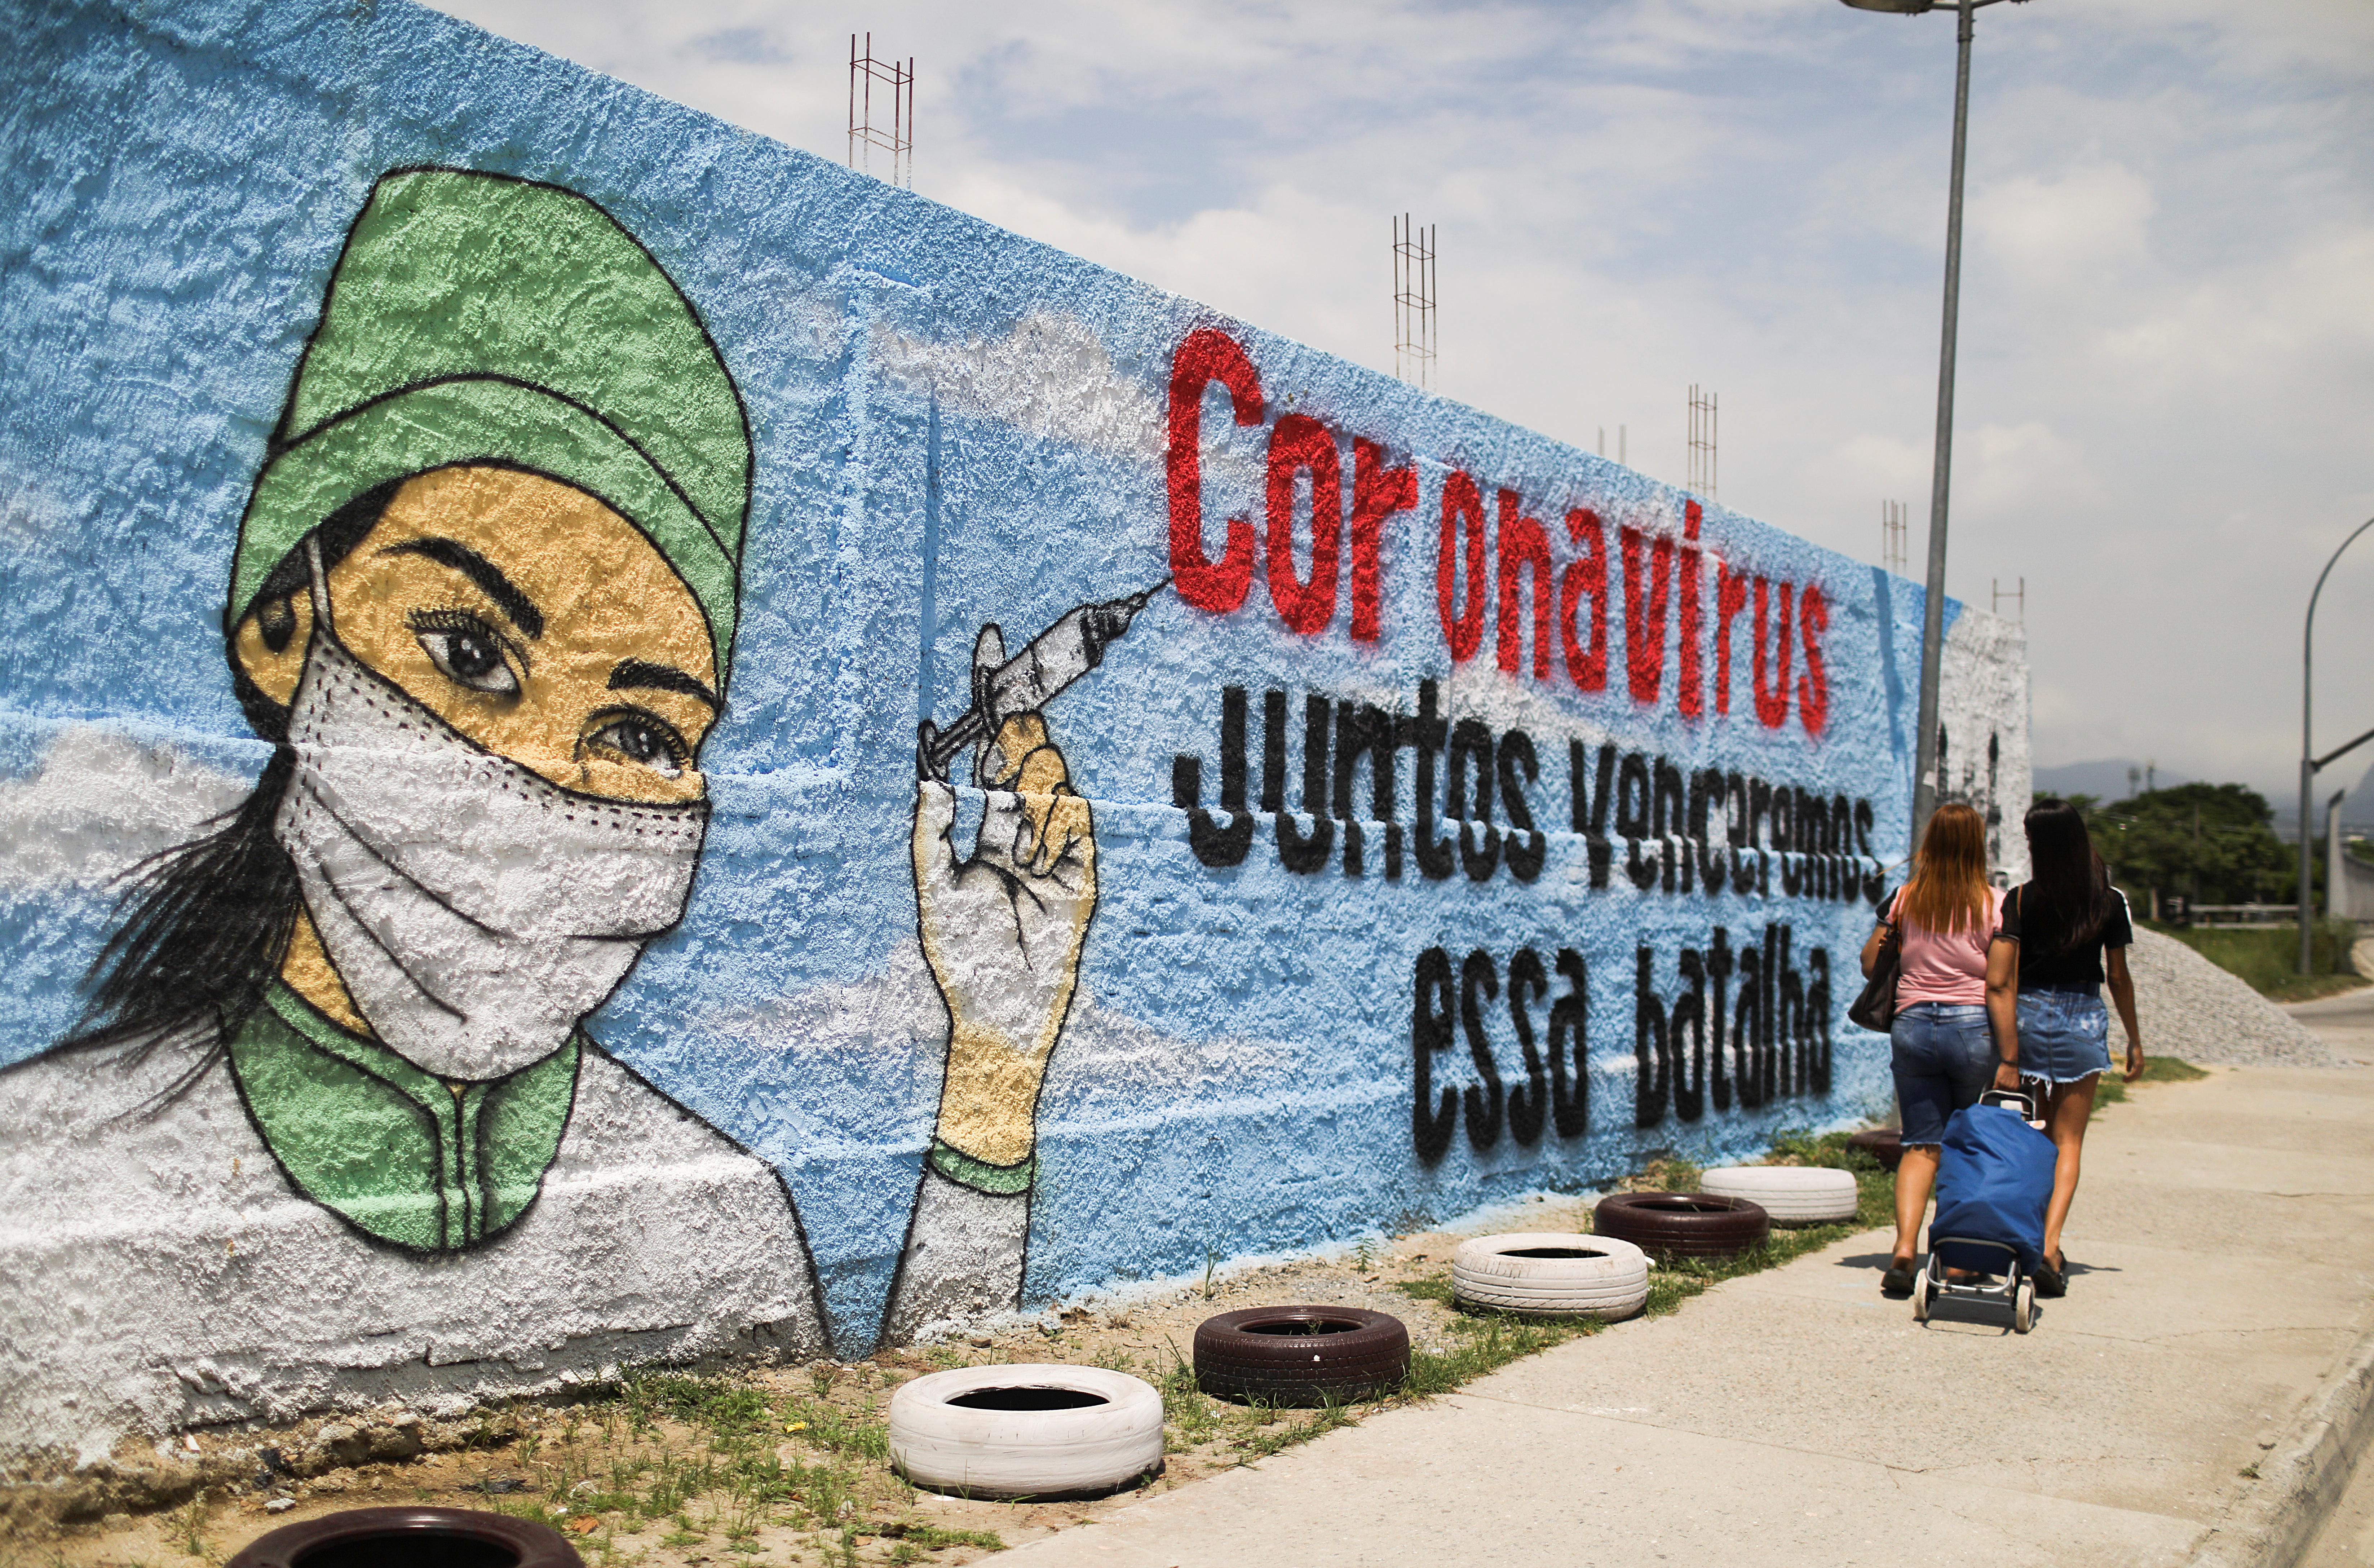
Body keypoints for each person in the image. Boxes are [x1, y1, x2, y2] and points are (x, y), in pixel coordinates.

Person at [0, 168, 1097, 1456]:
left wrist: (991, 1078)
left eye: (640, 735)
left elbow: (901, 1455)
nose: (539, 779)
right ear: (287, 622)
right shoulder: (50, 1184)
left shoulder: (720, 1222)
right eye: (467, 653)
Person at [1862, 802, 2020, 1298]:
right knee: (1968, 1144)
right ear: (1978, 844)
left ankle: (1904, 1251)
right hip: (1972, 1028)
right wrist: (2011, 1058)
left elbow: (1870, 965)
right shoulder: (1996, 903)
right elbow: (1999, 985)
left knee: (1919, 1143)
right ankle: (1955, 1258)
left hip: (1911, 1024)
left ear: (1930, 842)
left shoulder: (1906, 899)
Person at [1999, 798, 2142, 1298]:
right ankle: (2050, 1244)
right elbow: (2118, 976)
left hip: (2029, 1018)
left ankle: (2025, 1239)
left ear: (2036, 844)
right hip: (2082, 1019)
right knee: (2069, 1142)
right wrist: (2134, 1038)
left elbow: (2006, 976)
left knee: (2033, 1137)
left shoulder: (2019, 898)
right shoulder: (2108, 900)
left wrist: (2006, 1049)